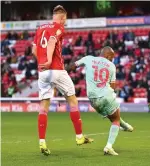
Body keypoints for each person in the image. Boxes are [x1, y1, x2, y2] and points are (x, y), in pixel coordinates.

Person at [32, 5, 93, 156]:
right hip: (57, 69)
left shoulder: (40, 28)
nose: (65, 23)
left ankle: (42, 141)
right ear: (62, 18)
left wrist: (42, 62)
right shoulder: (59, 27)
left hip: (42, 72)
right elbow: (52, 41)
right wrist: (48, 60)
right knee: (72, 100)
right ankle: (79, 137)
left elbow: (34, 49)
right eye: (65, 20)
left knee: (43, 106)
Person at [74, 46, 134, 156]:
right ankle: (109, 146)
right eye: (112, 57)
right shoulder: (111, 66)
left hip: (92, 99)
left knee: (113, 116)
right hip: (105, 95)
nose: (112, 60)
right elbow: (112, 86)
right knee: (115, 119)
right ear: (107, 55)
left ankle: (125, 126)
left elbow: (74, 65)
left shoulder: (88, 58)